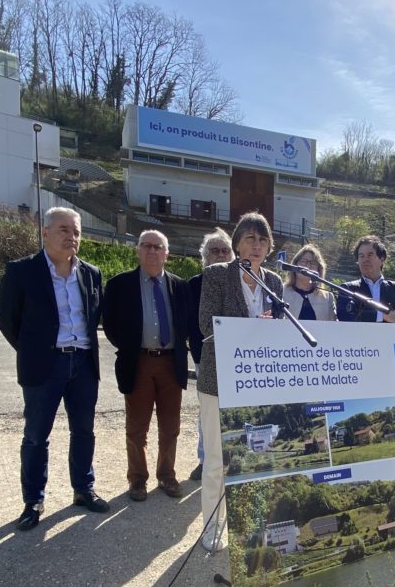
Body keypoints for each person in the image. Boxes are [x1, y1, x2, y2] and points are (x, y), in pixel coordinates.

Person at [0, 207, 108, 531]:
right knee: (35, 436)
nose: (71, 237)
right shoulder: (22, 272)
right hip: (45, 364)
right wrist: (34, 350)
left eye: (76, 232)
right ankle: (33, 500)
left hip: (83, 364)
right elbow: (8, 320)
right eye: (64, 230)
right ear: (45, 232)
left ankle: (83, 488)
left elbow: (94, 314)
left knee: (84, 431)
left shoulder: (91, 273)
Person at [196, 212, 284, 551]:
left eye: (263, 240)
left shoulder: (274, 282)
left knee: (251, 459)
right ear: (236, 244)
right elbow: (207, 324)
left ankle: (246, 527)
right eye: (250, 238)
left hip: (259, 383)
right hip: (218, 380)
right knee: (218, 459)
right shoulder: (216, 275)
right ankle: (210, 528)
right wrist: (253, 326)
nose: (257, 245)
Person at [103, 230, 189, 502]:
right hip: (138, 361)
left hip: (170, 363)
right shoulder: (120, 284)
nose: (152, 251)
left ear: (167, 253)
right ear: (138, 251)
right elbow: (111, 323)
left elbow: (185, 323)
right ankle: (137, 479)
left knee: (170, 426)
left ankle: (167, 474)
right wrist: (129, 347)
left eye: (158, 247)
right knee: (137, 427)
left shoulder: (179, 286)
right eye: (146, 246)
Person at [186, 228, 235, 482]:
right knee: (207, 412)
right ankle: (204, 460)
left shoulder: (240, 282)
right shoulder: (195, 284)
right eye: (214, 251)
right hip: (205, 356)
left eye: (224, 250)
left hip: (237, 359)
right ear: (205, 256)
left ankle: (231, 461)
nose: (220, 254)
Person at [336, 235, 395, 330]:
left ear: (382, 259)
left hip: (388, 343)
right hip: (360, 343)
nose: (365, 260)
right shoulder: (348, 289)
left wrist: (365, 315)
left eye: (370, 255)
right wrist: (382, 315)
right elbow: (345, 317)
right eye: (361, 256)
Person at [282, 243, 337, 321]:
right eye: (304, 262)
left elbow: (333, 326)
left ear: (319, 269)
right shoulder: (281, 292)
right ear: (295, 265)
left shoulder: (327, 298)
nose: (308, 266)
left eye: (313, 263)